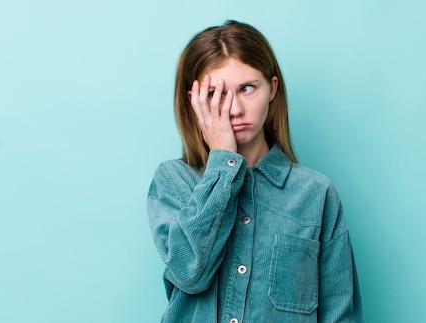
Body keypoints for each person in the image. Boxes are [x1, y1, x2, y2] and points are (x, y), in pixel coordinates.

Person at [147, 20, 364, 322]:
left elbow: (342, 314)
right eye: (215, 93)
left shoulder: (316, 194)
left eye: (247, 88)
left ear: (272, 88)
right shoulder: (174, 181)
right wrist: (223, 160)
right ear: (194, 102)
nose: (234, 109)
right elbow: (189, 272)